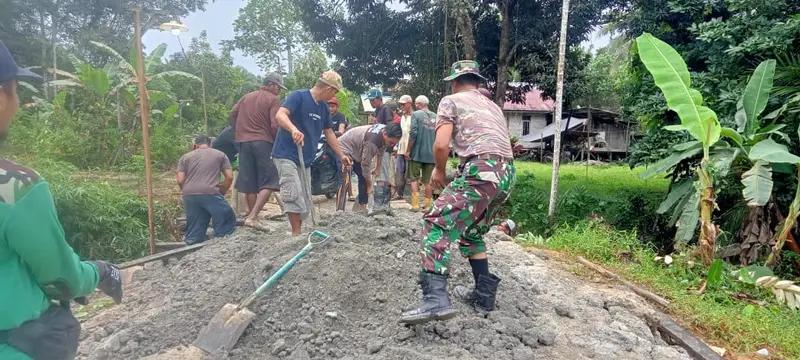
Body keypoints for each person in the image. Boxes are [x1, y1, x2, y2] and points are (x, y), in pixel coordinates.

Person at [0, 40, 122, 360]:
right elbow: (61, 278)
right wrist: (99, 272)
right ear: (1, 98)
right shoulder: (14, 188)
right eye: (15, 90)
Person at [400, 60, 516, 325]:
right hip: (507, 174)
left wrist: (438, 172)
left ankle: (435, 300)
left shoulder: (450, 100)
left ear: (454, 82)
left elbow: (441, 145)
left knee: (435, 223)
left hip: (481, 170)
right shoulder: (493, 106)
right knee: (472, 233)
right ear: (477, 82)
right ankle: (483, 296)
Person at [272, 70, 352, 236]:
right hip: (287, 154)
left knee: (306, 196)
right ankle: (296, 234)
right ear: (329, 89)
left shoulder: (322, 107)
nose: (334, 95)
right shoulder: (298, 96)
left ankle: (300, 229)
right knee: (292, 193)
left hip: (305, 159)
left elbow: (329, 133)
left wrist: (341, 155)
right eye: (335, 91)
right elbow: (280, 115)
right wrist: (293, 129)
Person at [230, 72, 286, 227]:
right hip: (263, 142)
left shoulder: (247, 97)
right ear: (271, 85)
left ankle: (251, 215)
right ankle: (253, 217)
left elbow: (233, 113)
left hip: (244, 142)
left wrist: (239, 131)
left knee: (250, 181)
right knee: (270, 180)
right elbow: (274, 124)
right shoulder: (273, 99)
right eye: (278, 87)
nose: (279, 91)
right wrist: (277, 141)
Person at [176, 135, 236, 245]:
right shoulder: (220, 155)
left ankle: (192, 245)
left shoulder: (185, 157)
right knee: (226, 215)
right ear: (210, 144)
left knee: (195, 226)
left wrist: (187, 191)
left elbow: (180, 180)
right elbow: (229, 177)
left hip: (189, 194)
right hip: (210, 192)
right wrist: (222, 190)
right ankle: (223, 241)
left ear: (195, 145)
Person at [338, 123, 403, 212]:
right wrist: (369, 185)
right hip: (344, 148)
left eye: (394, 144)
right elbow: (365, 165)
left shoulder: (385, 131)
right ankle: (341, 210)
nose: (391, 145)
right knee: (353, 177)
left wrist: (378, 168)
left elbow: (382, 149)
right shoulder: (372, 142)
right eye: (391, 142)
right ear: (384, 134)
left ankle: (362, 205)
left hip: (357, 149)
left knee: (363, 178)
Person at [405, 95, 437, 211]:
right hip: (431, 154)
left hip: (417, 153)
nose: (415, 105)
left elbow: (413, 133)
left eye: (416, 104)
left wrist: (408, 150)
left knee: (414, 179)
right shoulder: (435, 116)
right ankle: (428, 205)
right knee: (427, 181)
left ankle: (415, 205)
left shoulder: (416, 114)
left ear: (419, 104)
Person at [367, 89, 396, 212]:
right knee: (378, 172)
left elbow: (390, 127)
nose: (371, 103)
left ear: (379, 99)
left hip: (384, 147)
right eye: (370, 101)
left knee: (383, 173)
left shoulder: (385, 110)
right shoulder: (377, 111)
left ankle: (382, 203)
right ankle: (380, 202)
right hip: (379, 147)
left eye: (373, 100)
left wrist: (389, 146)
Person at [394, 95, 413, 200]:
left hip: (410, 149)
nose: (402, 106)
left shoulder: (415, 116)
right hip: (401, 147)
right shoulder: (402, 117)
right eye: (401, 104)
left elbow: (413, 134)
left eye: (403, 104)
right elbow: (401, 133)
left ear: (409, 103)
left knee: (409, 174)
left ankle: (409, 196)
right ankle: (399, 193)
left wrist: (409, 150)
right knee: (399, 171)